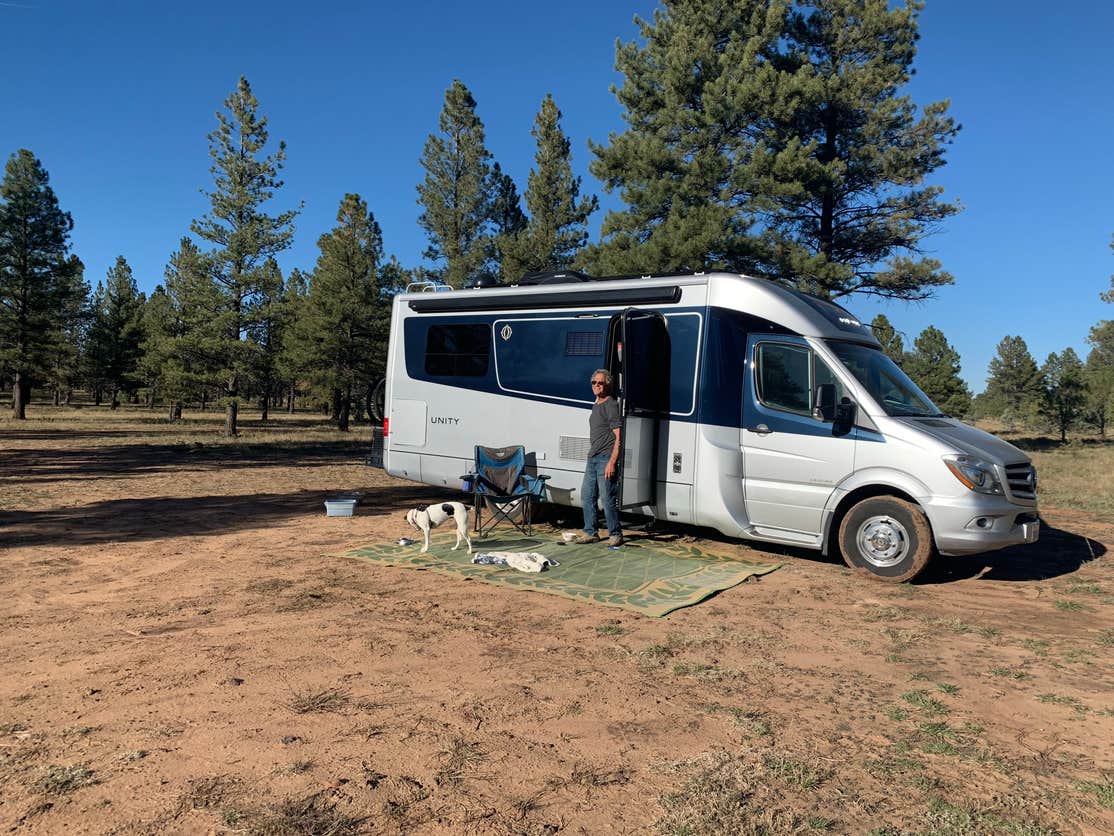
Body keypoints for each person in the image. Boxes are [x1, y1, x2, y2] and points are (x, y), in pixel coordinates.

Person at [574, 369, 623, 546]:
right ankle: (590, 533)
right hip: (592, 457)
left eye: (600, 383)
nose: (596, 386)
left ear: (608, 385)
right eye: (593, 383)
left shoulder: (611, 405)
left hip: (605, 458)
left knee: (607, 498)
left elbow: (619, 436)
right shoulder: (597, 403)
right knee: (587, 496)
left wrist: (612, 462)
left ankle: (615, 534)